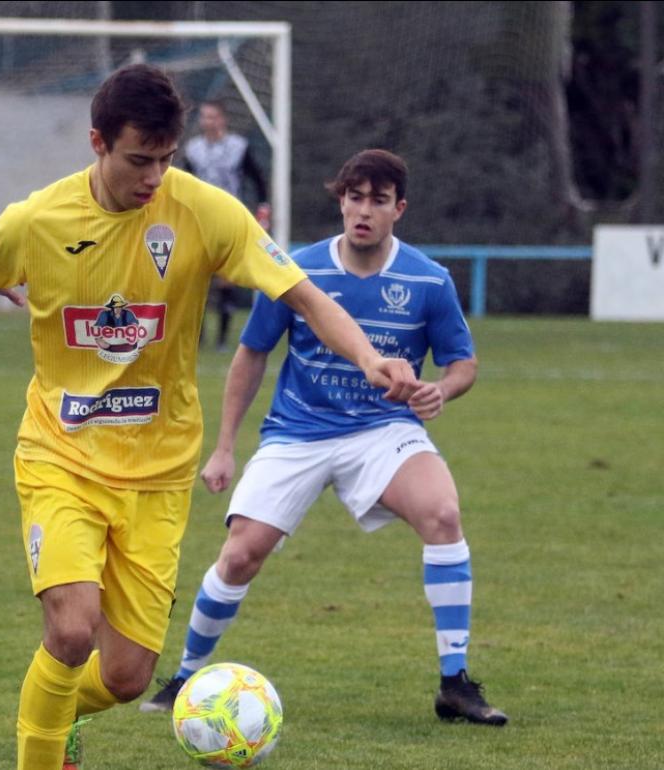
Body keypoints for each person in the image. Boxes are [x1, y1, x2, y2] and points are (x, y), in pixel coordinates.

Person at [0, 66, 420, 770]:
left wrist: (368, 357)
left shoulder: (206, 213)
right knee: (70, 630)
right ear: (97, 143)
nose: (154, 177)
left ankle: (57, 714)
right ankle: (42, 752)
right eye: (138, 160)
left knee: (126, 677)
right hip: (62, 458)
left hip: (158, 474)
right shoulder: (38, 221)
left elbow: (302, 294)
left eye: (166, 159)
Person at [140, 149, 509, 727]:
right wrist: (225, 447)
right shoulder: (295, 269)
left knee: (443, 514)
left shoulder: (428, 280)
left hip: (382, 430)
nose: (363, 210)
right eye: (354, 197)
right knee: (240, 555)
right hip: (297, 432)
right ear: (340, 201)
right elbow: (252, 354)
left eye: (378, 201)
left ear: (399, 209)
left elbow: (463, 362)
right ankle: (185, 676)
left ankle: (455, 684)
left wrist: (442, 388)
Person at [184, 100, 271, 352]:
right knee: (195, 277)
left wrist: (263, 208)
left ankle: (222, 339)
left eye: (212, 117)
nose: (207, 122)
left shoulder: (238, 147)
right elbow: (184, 181)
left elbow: (257, 179)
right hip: (199, 221)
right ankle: (197, 338)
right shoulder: (193, 148)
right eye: (203, 117)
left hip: (228, 219)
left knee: (225, 280)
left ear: (222, 119)